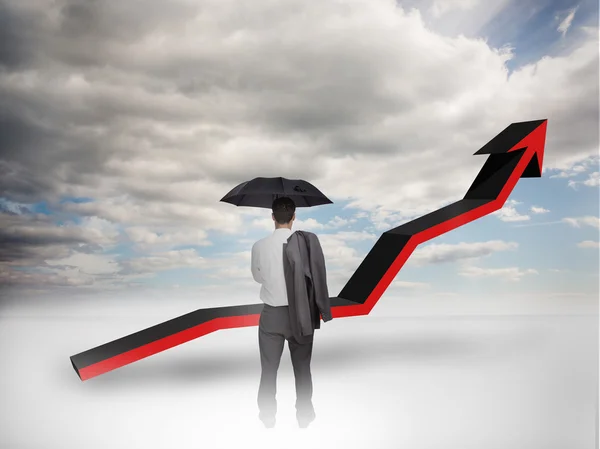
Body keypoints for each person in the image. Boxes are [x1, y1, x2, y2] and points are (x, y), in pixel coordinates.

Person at [251, 196, 317, 429]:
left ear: (272, 217)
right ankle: (304, 416)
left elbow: (257, 277)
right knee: (302, 367)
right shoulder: (306, 244)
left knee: (269, 368)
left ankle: (268, 417)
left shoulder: (259, 245)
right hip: (301, 315)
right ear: (294, 217)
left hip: (272, 316)